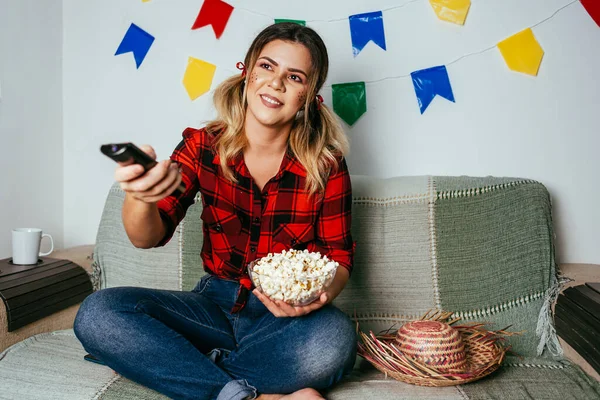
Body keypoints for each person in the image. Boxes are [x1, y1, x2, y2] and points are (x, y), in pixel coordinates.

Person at [74, 22, 356, 400]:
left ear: (310, 95)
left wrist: (316, 297)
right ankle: (247, 394)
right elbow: (148, 236)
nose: (276, 83)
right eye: (267, 67)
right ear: (247, 71)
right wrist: (140, 197)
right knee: (99, 314)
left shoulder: (326, 165)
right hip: (211, 308)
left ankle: (182, 367)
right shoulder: (202, 145)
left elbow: (339, 257)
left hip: (281, 319)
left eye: (295, 77)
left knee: (335, 339)